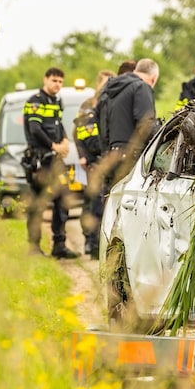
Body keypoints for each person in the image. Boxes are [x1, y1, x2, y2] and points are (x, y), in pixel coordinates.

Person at [22, 67, 80, 259]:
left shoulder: (56, 101)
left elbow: (58, 123)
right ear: (45, 79)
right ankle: (33, 247)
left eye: (60, 82)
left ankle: (59, 245)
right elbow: (35, 129)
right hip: (40, 161)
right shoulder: (35, 101)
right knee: (38, 204)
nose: (57, 84)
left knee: (62, 200)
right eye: (54, 80)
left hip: (55, 162)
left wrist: (64, 140)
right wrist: (54, 146)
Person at [96, 58, 160, 186]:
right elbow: (146, 126)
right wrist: (163, 138)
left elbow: (102, 128)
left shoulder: (108, 91)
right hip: (131, 159)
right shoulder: (141, 87)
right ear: (153, 78)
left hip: (110, 157)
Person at [74, 69, 115, 258]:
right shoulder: (87, 105)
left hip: (107, 158)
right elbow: (78, 133)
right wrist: (82, 155)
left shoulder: (112, 102)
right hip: (91, 160)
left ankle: (100, 242)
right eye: (105, 82)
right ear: (99, 83)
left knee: (104, 201)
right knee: (92, 202)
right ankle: (89, 242)